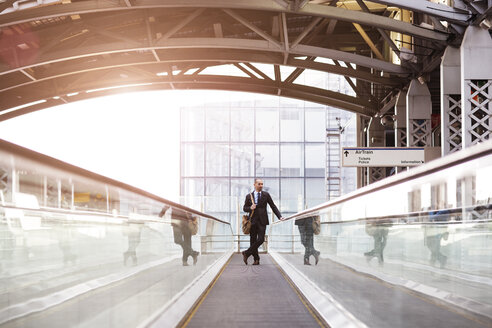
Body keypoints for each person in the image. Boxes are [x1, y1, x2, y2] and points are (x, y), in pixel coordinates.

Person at [242, 179, 284, 265]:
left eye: (262, 184)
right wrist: (250, 208)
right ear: (254, 184)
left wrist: (279, 216)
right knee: (253, 240)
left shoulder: (266, 195)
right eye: (259, 184)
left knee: (261, 239)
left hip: (262, 221)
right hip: (252, 221)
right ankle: (256, 259)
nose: (261, 185)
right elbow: (244, 208)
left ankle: (246, 253)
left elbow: (273, 206)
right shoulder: (248, 196)